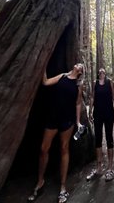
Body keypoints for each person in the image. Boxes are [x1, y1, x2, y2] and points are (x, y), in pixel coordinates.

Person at [28, 63, 84, 203]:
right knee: (43, 149)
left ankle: (63, 187)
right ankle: (40, 182)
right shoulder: (62, 76)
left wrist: (77, 122)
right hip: (53, 117)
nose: (77, 64)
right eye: (77, 63)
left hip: (68, 120)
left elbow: (78, 103)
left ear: (80, 72)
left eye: (80, 65)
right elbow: (46, 82)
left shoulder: (78, 84)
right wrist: (43, 65)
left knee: (64, 148)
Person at [87, 68, 114, 182]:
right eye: (100, 71)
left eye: (103, 71)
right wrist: (90, 111)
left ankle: (110, 168)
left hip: (109, 113)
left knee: (109, 137)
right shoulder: (95, 83)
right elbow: (92, 97)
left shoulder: (109, 82)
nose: (101, 72)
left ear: (105, 73)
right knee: (98, 139)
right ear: (98, 73)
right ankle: (99, 168)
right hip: (98, 114)